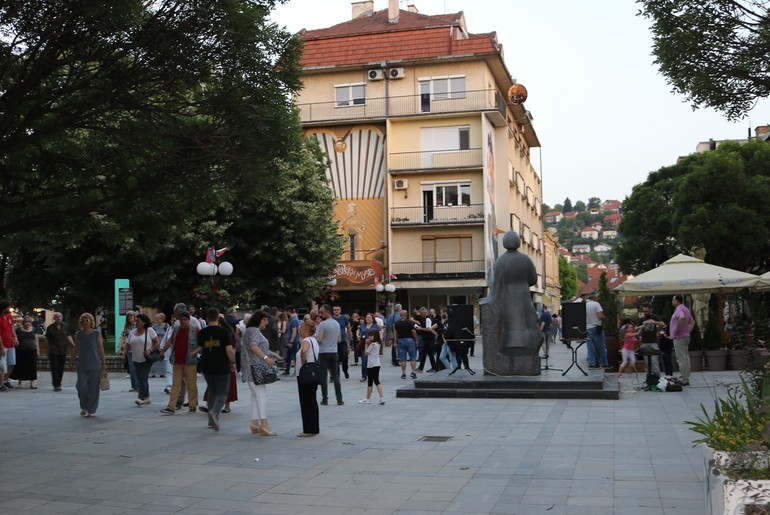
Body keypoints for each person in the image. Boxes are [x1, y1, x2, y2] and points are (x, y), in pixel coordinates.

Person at [193, 308, 235, 431]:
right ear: (218, 318)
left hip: (207, 365)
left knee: (212, 391)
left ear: (207, 318)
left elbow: (201, 347)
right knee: (222, 392)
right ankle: (214, 412)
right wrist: (232, 362)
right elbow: (229, 350)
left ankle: (211, 421)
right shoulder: (224, 332)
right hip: (221, 365)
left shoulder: (202, 332)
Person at [241, 310, 282, 436]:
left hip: (249, 368)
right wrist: (266, 358)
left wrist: (272, 354)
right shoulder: (254, 331)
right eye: (266, 320)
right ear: (261, 319)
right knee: (262, 395)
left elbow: (257, 346)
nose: (267, 323)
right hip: (255, 368)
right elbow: (253, 346)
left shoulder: (249, 330)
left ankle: (254, 423)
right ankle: (264, 425)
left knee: (255, 396)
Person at [158, 312, 199, 414]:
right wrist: (163, 351)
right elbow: (170, 341)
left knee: (191, 385)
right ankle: (171, 407)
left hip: (190, 362)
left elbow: (201, 344)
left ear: (189, 320)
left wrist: (195, 352)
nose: (183, 322)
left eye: (185, 320)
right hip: (177, 361)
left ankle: (192, 406)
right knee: (175, 385)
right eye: (181, 320)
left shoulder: (195, 330)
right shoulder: (176, 329)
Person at [71, 313, 107, 417]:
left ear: (91, 322)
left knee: (93, 389)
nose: (85, 322)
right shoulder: (78, 334)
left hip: (95, 365)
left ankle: (91, 408)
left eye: (87, 320)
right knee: (81, 386)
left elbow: (101, 349)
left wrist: (104, 363)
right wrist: (71, 361)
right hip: (82, 365)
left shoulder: (96, 333)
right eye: (83, 320)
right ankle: (84, 406)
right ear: (81, 322)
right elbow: (75, 348)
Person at [126, 313, 159, 406]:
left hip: (146, 359)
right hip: (136, 359)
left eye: (138, 321)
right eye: (136, 321)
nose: (136, 323)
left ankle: (141, 397)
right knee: (141, 378)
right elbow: (128, 344)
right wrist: (124, 354)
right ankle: (147, 397)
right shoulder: (132, 332)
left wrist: (150, 350)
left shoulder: (149, 331)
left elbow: (156, 342)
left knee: (142, 378)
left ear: (144, 323)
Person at [316, 304, 343, 406]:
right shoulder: (336, 323)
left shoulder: (323, 324)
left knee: (324, 376)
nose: (320, 314)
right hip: (334, 352)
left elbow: (320, 339)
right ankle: (339, 399)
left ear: (327, 312)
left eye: (321, 312)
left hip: (323, 353)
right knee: (336, 377)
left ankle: (325, 399)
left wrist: (317, 339)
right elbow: (339, 339)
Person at [296, 319, 320, 437]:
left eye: (301, 327)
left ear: (306, 329)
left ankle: (308, 429)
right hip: (313, 373)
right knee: (312, 400)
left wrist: (303, 363)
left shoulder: (306, 340)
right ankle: (314, 427)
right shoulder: (314, 340)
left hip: (305, 374)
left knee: (305, 401)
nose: (300, 329)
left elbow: (304, 351)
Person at [45, 311, 75, 392]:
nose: (58, 318)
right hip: (53, 350)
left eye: (59, 316)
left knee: (61, 368)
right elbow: (47, 340)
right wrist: (47, 351)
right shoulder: (50, 328)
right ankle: (56, 384)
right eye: (56, 316)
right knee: (54, 368)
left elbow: (68, 336)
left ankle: (59, 383)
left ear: (61, 317)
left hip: (63, 350)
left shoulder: (65, 326)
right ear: (54, 318)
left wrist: (73, 345)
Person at [671, 294, 695, 386]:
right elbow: (692, 322)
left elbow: (682, 317)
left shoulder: (679, 309)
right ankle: (686, 377)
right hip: (685, 336)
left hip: (679, 337)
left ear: (677, 301)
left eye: (673, 300)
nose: (672, 302)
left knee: (681, 358)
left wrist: (677, 329)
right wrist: (687, 331)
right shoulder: (686, 309)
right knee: (686, 357)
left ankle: (683, 379)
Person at [10, 316, 39, 389]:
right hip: (21, 350)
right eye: (26, 322)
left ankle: (32, 383)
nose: (27, 324)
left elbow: (36, 340)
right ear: (23, 323)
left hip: (32, 349)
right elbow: (14, 338)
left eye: (29, 322)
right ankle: (19, 383)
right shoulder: (19, 330)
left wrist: (37, 350)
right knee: (21, 366)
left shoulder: (33, 329)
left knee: (32, 366)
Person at [639, 302, 666, 377]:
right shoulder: (642, 319)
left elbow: (663, 324)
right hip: (644, 342)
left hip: (653, 341)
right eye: (644, 312)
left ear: (650, 310)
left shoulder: (654, 317)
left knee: (654, 362)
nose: (645, 313)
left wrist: (654, 322)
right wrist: (642, 326)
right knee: (647, 363)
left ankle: (657, 378)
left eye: (647, 311)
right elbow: (636, 328)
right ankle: (648, 378)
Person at [358, 330, 385, 405]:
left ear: (375, 336)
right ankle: (382, 398)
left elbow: (366, 353)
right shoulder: (378, 343)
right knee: (377, 381)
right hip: (377, 364)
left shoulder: (372, 344)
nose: (369, 337)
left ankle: (368, 398)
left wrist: (366, 344)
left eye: (371, 336)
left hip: (371, 365)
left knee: (370, 382)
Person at [585, 292, 609, 369]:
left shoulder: (585, 305)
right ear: (594, 297)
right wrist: (604, 316)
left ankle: (591, 363)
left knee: (590, 347)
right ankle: (604, 363)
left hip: (587, 328)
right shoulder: (596, 304)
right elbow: (599, 315)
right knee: (601, 346)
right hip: (596, 327)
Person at [394, 309, 419, 379]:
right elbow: (413, 331)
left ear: (400, 315)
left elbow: (395, 333)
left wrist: (395, 342)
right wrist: (416, 340)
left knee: (402, 358)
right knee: (412, 357)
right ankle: (413, 372)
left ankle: (403, 373)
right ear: (406, 315)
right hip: (410, 340)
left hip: (400, 340)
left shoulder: (397, 323)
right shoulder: (409, 322)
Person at [117, 311, 138, 391]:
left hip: (138, 350)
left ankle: (139, 385)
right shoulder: (126, 328)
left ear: (134, 316)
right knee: (132, 369)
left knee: (138, 368)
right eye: (128, 316)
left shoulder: (137, 326)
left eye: (131, 316)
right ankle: (134, 386)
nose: (130, 317)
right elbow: (122, 338)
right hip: (129, 351)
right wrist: (120, 347)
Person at [357, 313, 381, 382]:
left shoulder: (376, 326)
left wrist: (379, 341)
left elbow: (380, 333)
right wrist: (358, 335)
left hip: (373, 345)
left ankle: (372, 375)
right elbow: (358, 330)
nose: (368, 318)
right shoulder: (363, 325)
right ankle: (364, 376)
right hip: (364, 344)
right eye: (367, 317)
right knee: (364, 361)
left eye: (369, 317)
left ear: (372, 319)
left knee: (373, 361)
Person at [0, 300, 17, 390]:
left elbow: (12, 328)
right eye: (8, 307)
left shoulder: (9, 316)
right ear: (3, 308)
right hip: (3, 344)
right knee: (2, 365)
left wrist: (15, 338)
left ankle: (6, 380)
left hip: (10, 343)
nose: (9, 309)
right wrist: (1, 347)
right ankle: (0, 383)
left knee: (12, 363)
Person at [332, 305, 351, 379]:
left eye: (337, 309)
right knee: (335, 358)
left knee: (344, 356)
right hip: (334, 341)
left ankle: (345, 370)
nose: (336, 311)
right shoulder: (332, 319)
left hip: (343, 340)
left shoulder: (344, 318)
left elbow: (348, 327)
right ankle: (337, 374)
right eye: (335, 310)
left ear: (340, 310)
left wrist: (348, 338)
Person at [417, 307, 437, 373]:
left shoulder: (428, 319)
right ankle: (431, 367)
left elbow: (428, 329)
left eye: (421, 314)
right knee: (427, 353)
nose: (421, 315)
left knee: (426, 353)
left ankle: (422, 368)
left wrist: (421, 329)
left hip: (428, 339)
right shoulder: (427, 319)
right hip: (428, 338)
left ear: (424, 313)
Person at [151, 313, 169, 383]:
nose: (157, 321)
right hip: (156, 344)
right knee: (155, 359)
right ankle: (153, 372)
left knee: (163, 359)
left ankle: (163, 373)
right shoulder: (154, 327)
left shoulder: (167, 326)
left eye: (158, 319)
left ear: (162, 319)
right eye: (156, 319)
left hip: (164, 344)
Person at [282, 306, 301, 376]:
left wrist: (291, 342)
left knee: (295, 356)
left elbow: (294, 332)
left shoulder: (294, 320)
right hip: (291, 340)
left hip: (293, 341)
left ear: (288, 312)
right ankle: (287, 370)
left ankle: (297, 370)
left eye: (285, 312)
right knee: (288, 356)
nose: (285, 314)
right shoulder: (291, 320)